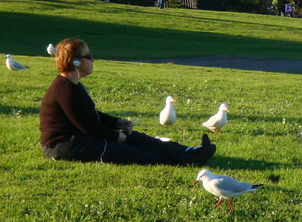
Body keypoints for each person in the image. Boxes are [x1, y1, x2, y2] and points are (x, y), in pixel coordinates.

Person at [40, 38, 216, 165]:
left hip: (82, 138)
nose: (93, 60)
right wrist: (116, 135)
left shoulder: (74, 85)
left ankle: (190, 152)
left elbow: (92, 116)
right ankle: (182, 160)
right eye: (88, 56)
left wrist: (117, 123)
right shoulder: (64, 89)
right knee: (132, 153)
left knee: (137, 138)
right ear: (75, 62)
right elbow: (87, 126)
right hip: (63, 145)